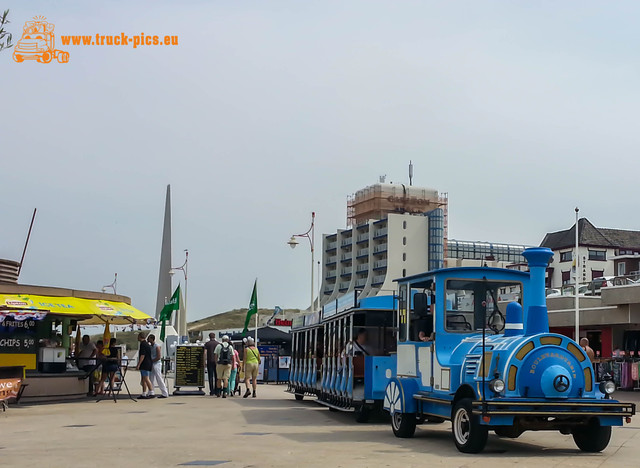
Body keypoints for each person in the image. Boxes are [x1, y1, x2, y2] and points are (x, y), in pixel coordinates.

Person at [147, 334, 169, 398]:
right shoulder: (150, 346)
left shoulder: (157, 346)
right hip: (152, 363)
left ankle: (165, 393)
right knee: (151, 378)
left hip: (156, 363)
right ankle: (151, 392)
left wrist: (152, 360)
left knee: (158, 377)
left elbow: (158, 357)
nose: (148, 339)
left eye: (149, 338)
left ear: (152, 339)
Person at [136, 332, 154, 399]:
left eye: (138, 336)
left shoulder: (143, 344)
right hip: (148, 363)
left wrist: (138, 364)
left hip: (145, 364)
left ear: (140, 337)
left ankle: (151, 392)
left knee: (146, 378)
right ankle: (144, 393)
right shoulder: (147, 344)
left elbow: (142, 355)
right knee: (143, 379)